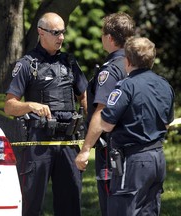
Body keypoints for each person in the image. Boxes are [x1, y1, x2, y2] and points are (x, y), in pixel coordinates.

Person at [4, 12, 88, 216]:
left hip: (68, 141)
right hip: (38, 143)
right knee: (31, 204)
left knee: (70, 204)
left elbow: (85, 98)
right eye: (56, 33)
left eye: (63, 32)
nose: (62, 38)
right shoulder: (27, 64)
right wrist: (30, 105)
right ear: (41, 32)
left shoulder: (69, 63)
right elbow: (9, 106)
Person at [100, 37, 175, 215]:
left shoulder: (126, 86)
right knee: (149, 210)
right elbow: (167, 122)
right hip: (157, 158)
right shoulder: (164, 85)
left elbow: (106, 124)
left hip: (134, 160)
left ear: (127, 60)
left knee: (123, 209)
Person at [75, 12, 135, 216]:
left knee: (113, 209)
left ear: (109, 38)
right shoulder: (137, 66)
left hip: (112, 155)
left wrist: (85, 149)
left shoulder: (109, 71)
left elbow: (101, 113)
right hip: (137, 153)